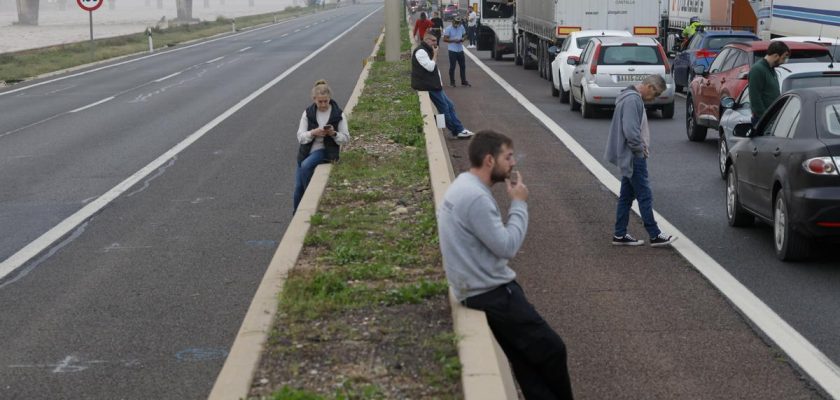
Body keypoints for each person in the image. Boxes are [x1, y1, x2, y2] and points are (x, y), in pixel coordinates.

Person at [437, 130, 575, 400]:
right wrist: (519, 204)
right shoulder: (476, 197)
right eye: (508, 157)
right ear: (490, 160)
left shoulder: (464, 185)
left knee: (526, 362)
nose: (513, 163)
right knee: (552, 349)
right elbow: (507, 246)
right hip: (491, 293)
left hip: (475, 288)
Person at [605, 75, 677, 247]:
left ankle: (620, 234)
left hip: (628, 154)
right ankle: (654, 234)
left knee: (626, 196)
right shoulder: (633, 100)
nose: (655, 98)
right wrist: (639, 150)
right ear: (650, 87)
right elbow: (630, 130)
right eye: (656, 93)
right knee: (644, 194)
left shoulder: (628, 96)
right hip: (633, 155)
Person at [293, 79, 350, 214]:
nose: (323, 104)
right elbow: (300, 136)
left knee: (306, 166)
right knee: (297, 188)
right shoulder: (307, 113)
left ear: (329, 98)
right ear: (314, 99)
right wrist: (314, 132)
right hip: (306, 150)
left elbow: (346, 138)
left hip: (325, 150)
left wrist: (333, 133)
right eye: (320, 102)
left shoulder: (338, 114)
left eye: (326, 101)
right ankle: (296, 214)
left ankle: (309, 200)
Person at [411, 31, 474, 139]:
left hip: (434, 85)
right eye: (434, 41)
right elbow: (430, 67)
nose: (436, 43)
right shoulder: (421, 52)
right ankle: (457, 130)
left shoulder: (427, 50)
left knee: (449, 105)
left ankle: (458, 129)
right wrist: (435, 54)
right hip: (428, 86)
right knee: (444, 108)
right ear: (427, 40)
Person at [748, 40, 790, 126]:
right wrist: (765, 119)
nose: (783, 62)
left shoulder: (771, 69)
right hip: (763, 121)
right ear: (775, 56)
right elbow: (755, 98)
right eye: (783, 58)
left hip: (772, 119)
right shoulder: (757, 69)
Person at [443, 16, 471, 87]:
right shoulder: (448, 29)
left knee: (463, 66)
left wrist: (463, 39)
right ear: (452, 21)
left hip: (460, 49)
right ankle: (452, 82)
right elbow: (445, 39)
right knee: (452, 66)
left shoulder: (461, 27)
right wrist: (453, 40)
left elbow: (465, 35)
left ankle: (463, 81)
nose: (457, 24)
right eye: (456, 23)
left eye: (458, 23)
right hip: (452, 50)